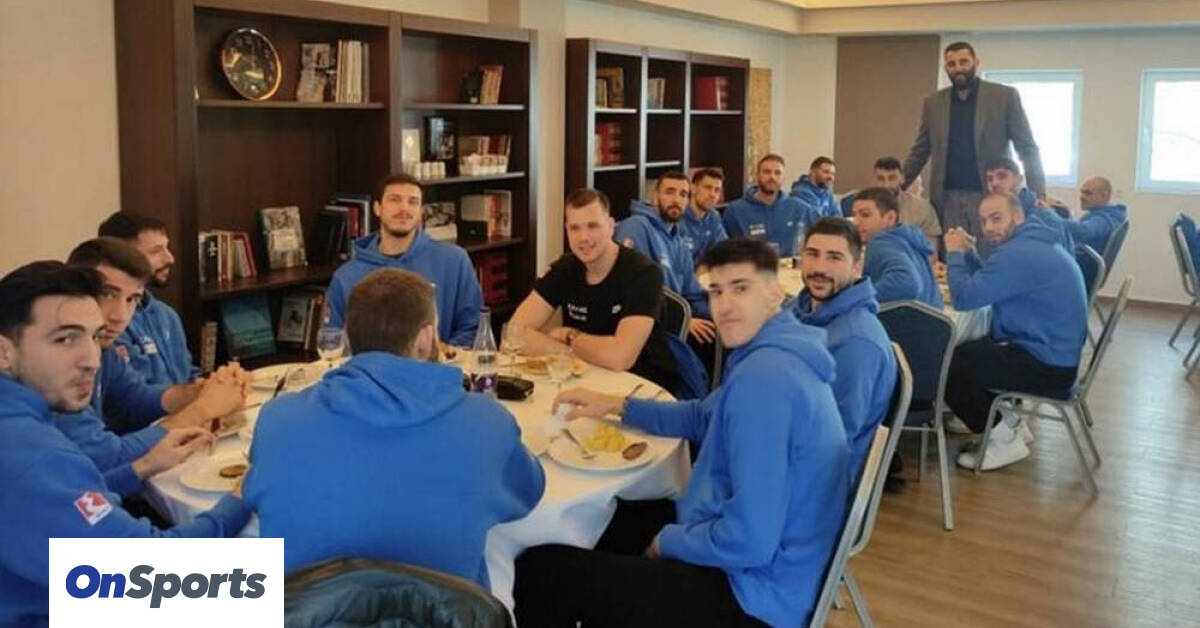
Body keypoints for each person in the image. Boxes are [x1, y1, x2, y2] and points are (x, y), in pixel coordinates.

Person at [513, 238, 848, 628]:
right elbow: (703, 417)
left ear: (774, 294)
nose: (725, 306)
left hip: (752, 597)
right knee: (624, 512)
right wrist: (616, 405)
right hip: (774, 567)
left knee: (541, 570)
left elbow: (750, 540)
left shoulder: (764, 384)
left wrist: (666, 542)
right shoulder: (779, 353)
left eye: (741, 288)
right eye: (716, 291)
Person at [245, 268, 544, 581]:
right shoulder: (487, 423)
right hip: (447, 606)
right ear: (426, 339)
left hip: (306, 606)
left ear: (348, 336)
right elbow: (529, 494)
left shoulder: (277, 420)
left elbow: (254, 500)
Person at [0, 262, 252, 627]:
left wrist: (139, 469)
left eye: (94, 337)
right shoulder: (37, 457)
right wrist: (239, 500)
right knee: (291, 591)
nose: (91, 360)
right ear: (4, 353)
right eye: (65, 339)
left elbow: (44, 508)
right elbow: (158, 579)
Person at [943, 193, 1087, 470]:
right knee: (968, 352)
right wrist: (970, 255)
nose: (988, 228)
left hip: (1048, 368)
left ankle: (1004, 440)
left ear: (1018, 216)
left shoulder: (1018, 253)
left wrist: (955, 254)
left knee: (947, 367)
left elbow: (964, 299)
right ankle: (1009, 423)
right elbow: (994, 284)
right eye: (983, 221)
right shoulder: (1033, 243)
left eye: (996, 218)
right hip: (1057, 356)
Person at [64, 238, 247, 436]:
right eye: (108, 295)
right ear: (75, 292)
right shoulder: (60, 367)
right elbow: (108, 452)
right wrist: (203, 409)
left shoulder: (105, 350)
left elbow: (135, 400)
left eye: (132, 299)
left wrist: (204, 390)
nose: (120, 316)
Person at [508, 189, 681, 394]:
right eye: (575, 228)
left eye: (593, 226)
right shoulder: (565, 268)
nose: (583, 238)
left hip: (641, 388)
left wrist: (570, 336)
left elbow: (620, 358)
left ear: (611, 226)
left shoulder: (644, 273)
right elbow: (514, 335)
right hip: (583, 381)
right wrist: (566, 352)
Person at [902, 41, 1044, 245]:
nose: (958, 68)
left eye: (964, 62)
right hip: (948, 197)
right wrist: (898, 186)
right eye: (952, 64)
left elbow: (1026, 147)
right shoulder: (934, 103)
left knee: (993, 251)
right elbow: (921, 150)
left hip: (990, 193)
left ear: (976, 62)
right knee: (954, 252)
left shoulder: (1003, 96)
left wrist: (1038, 192)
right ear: (946, 68)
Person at [325, 173, 483, 346]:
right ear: (377, 208)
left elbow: (473, 329)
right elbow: (333, 343)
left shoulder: (455, 261)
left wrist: (441, 357)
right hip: (370, 364)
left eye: (413, 202)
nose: (404, 209)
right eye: (395, 200)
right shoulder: (345, 277)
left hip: (436, 362)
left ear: (421, 212)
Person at [794, 218, 898, 476]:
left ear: (857, 267)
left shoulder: (856, 342)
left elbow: (830, 444)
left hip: (810, 481)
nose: (820, 268)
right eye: (812, 254)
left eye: (834, 257)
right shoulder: (800, 311)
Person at [98, 211, 200, 386]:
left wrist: (217, 384)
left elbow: (188, 375)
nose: (170, 258)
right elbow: (134, 394)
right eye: (156, 251)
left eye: (167, 248)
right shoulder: (111, 323)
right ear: (123, 257)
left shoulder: (167, 315)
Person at [616, 171, 716, 343]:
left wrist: (718, 313)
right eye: (669, 192)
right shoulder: (636, 227)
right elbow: (637, 289)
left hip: (678, 320)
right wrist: (683, 321)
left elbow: (693, 293)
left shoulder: (679, 241)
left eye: (683, 194)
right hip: (648, 327)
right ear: (655, 197)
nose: (676, 200)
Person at [851, 188, 943, 307]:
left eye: (865, 215)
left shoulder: (881, 242)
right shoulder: (908, 240)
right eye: (854, 215)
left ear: (890, 218)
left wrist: (854, 297)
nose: (856, 222)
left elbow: (907, 283)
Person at [723, 154, 822, 256]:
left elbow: (823, 234)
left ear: (783, 177)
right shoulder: (735, 211)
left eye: (777, 173)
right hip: (751, 265)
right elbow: (726, 252)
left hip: (790, 265)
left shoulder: (801, 209)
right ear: (757, 175)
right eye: (767, 172)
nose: (772, 177)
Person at [843, 157, 942, 250]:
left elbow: (931, 251)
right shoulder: (862, 207)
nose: (886, 185)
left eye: (892, 178)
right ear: (874, 180)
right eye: (881, 179)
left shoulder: (922, 209)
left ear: (902, 179)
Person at [984, 158, 1074, 255]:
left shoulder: (1043, 218)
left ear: (1019, 179)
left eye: (1002, 176)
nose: (994, 183)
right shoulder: (996, 218)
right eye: (990, 179)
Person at [679, 167, 728, 262]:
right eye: (707, 188)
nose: (713, 195)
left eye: (717, 190)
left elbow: (724, 250)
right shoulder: (678, 217)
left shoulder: (713, 217)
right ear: (693, 189)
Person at [1069, 176, 1128, 254]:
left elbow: (1082, 231)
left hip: (1080, 259)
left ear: (1104, 196)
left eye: (1087, 193)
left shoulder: (1104, 219)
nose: (1082, 197)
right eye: (1082, 192)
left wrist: (1054, 218)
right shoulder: (1111, 214)